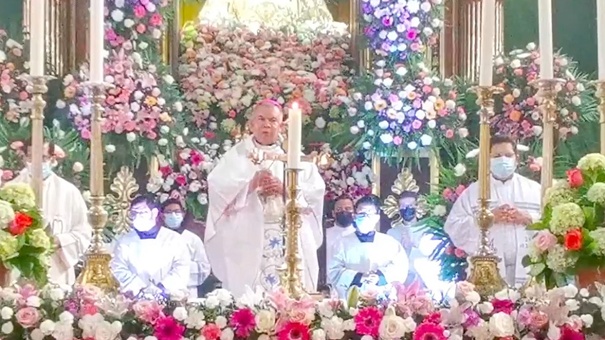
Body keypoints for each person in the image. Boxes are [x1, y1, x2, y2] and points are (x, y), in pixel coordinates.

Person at [205, 100, 325, 297]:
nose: (266, 125)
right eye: (261, 119)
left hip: (287, 236)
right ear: (251, 124)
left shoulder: (293, 157)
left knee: (289, 296)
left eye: (273, 120)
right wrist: (251, 184)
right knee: (248, 296)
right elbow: (218, 190)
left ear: (281, 126)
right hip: (248, 237)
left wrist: (287, 189)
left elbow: (315, 192)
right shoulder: (235, 157)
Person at [443, 134, 542, 287]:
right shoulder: (474, 192)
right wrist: (487, 218)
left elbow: (550, 223)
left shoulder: (534, 189)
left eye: (508, 155)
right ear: (487, 160)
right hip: (488, 272)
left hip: (528, 268)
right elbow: (453, 226)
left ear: (516, 158)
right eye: (497, 156)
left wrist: (528, 217)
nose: (503, 160)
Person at [10, 140, 91, 286]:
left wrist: (58, 241)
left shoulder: (69, 192)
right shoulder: (11, 189)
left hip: (56, 266)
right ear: (24, 157)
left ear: (52, 159)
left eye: (42, 158)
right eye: (30, 157)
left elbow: (84, 231)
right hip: (18, 267)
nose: (35, 163)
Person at [328, 195, 409, 298]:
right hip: (350, 299)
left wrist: (380, 277)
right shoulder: (341, 243)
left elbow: (400, 267)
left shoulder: (389, 243)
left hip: (381, 298)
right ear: (355, 216)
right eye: (361, 214)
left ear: (377, 217)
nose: (365, 217)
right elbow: (333, 270)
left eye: (369, 213)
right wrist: (359, 277)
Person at [111, 195, 190, 296]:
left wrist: (162, 288)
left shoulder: (174, 239)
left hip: (168, 296)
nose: (137, 217)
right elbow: (118, 267)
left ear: (154, 213)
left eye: (142, 212)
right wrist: (140, 288)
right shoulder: (124, 240)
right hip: (134, 297)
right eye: (134, 213)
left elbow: (181, 267)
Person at [161, 199, 211, 299]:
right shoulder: (158, 238)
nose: (173, 215)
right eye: (169, 212)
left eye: (177, 211)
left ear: (183, 214)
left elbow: (204, 267)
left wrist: (180, 267)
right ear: (162, 215)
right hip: (163, 290)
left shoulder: (193, 239)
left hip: (188, 290)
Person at [325, 195, 355, 263]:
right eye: (339, 209)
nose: (344, 211)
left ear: (354, 212)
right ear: (333, 213)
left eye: (348, 209)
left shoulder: (360, 235)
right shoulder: (325, 236)